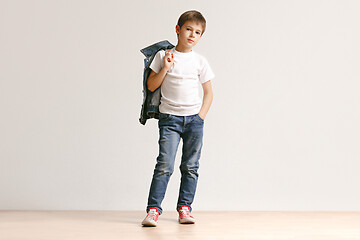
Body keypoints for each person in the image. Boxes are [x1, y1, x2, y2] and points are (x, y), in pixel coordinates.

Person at [142, 10, 215, 227]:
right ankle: (153, 210)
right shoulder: (163, 56)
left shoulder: (200, 61)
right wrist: (165, 67)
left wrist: (200, 117)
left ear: (201, 36)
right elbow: (151, 85)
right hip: (170, 120)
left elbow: (209, 92)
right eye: (188, 29)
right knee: (164, 164)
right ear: (178, 29)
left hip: (194, 121)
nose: (192, 35)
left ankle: (185, 208)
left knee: (191, 166)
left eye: (198, 32)